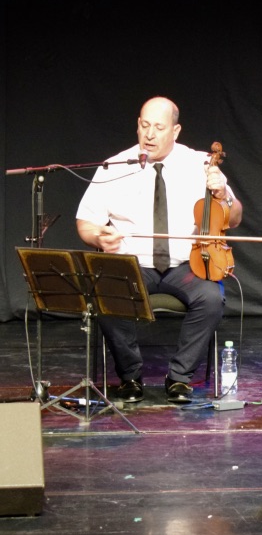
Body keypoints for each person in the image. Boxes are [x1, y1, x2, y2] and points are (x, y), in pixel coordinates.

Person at [76, 96, 243, 404]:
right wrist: (99, 236)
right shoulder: (114, 166)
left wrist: (224, 195)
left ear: (175, 131)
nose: (149, 134)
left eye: (159, 127)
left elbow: (233, 218)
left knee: (211, 299)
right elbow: (85, 222)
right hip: (133, 265)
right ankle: (130, 376)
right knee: (105, 295)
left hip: (186, 266)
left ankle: (179, 377)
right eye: (144, 125)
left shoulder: (200, 164)